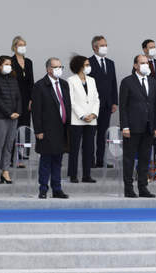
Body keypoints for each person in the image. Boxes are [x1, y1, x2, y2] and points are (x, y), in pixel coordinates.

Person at [119, 55, 156, 199]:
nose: (146, 65)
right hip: (132, 127)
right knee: (129, 159)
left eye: (147, 63)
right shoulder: (127, 82)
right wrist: (124, 126)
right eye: (142, 63)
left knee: (145, 159)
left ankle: (143, 187)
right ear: (135, 65)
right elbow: (123, 107)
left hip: (149, 127)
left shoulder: (153, 82)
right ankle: (128, 188)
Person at [31, 57, 71, 199]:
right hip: (47, 131)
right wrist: (38, 130)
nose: (59, 70)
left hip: (61, 130)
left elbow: (67, 105)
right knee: (46, 161)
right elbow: (36, 111)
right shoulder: (40, 86)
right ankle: (43, 188)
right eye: (56, 67)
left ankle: (57, 188)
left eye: (61, 67)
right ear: (48, 69)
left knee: (58, 161)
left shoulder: (65, 85)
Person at [0, 55, 21, 185]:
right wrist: (9, 113)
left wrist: (18, 111)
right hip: (0, 117)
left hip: (14, 117)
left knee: (9, 145)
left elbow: (18, 96)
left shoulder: (13, 79)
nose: (9, 66)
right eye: (6, 64)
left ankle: (5, 170)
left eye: (10, 64)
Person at [67, 55, 99, 184]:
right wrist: (82, 115)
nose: (88, 67)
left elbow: (96, 99)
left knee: (89, 148)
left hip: (91, 120)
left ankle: (87, 175)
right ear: (79, 66)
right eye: (86, 65)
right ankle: (73, 174)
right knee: (74, 148)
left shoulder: (92, 80)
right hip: (77, 119)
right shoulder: (71, 80)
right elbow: (71, 101)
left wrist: (93, 114)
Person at [88, 35, 117, 168]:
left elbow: (113, 83)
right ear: (95, 47)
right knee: (90, 133)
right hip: (92, 105)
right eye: (102, 45)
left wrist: (114, 102)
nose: (105, 47)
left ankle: (100, 160)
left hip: (106, 104)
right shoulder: (88, 62)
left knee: (102, 134)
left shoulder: (110, 63)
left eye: (106, 45)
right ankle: (90, 160)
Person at [10, 37, 34, 168]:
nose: (22, 47)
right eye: (20, 45)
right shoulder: (10, 62)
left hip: (26, 100)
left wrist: (32, 99)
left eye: (24, 45)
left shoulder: (29, 62)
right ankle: (9, 158)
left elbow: (31, 82)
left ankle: (22, 157)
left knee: (24, 129)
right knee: (13, 128)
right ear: (14, 47)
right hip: (14, 100)